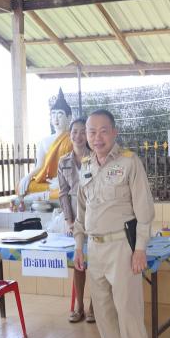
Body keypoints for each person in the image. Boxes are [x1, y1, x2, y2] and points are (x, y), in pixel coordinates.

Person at [73, 109, 156, 338]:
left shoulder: (129, 163)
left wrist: (140, 249)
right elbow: (81, 211)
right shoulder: (86, 166)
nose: (97, 137)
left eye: (103, 131)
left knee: (128, 310)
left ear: (114, 132)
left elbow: (144, 210)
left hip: (122, 246)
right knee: (104, 310)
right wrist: (79, 246)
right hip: (94, 248)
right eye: (91, 132)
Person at [57, 118, 94, 323]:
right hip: (75, 217)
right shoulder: (63, 162)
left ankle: (94, 307)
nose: (78, 136)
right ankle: (79, 306)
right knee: (78, 262)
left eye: (82, 132)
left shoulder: (96, 157)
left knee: (96, 263)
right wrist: (68, 220)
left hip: (95, 215)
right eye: (75, 132)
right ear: (70, 135)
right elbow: (63, 193)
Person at [15, 88, 74, 201]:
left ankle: (43, 196)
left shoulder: (73, 139)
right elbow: (39, 166)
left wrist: (63, 180)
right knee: (21, 186)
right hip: (49, 182)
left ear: (69, 117)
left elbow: (76, 165)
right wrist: (27, 177)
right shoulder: (44, 141)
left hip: (67, 180)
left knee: (68, 189)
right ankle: (46, 194)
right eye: (53, 114)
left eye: (60, 115)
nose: (56, 118)